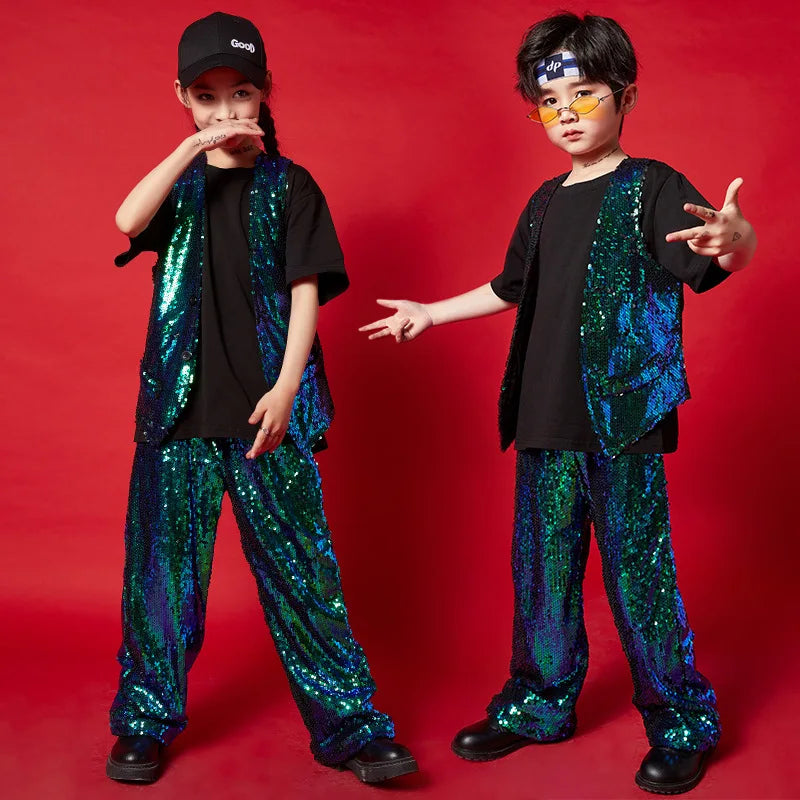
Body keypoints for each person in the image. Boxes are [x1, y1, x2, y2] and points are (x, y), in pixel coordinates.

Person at [359, 12, 755, 795]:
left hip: (625, 420)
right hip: (544, 418)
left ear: (626, 96)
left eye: (585, 94)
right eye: (549, 101)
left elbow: (717, 255)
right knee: (542, 569)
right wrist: (431, 312)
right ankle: (538, 705)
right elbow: (510, 287)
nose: (567, 112)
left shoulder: (653, 187)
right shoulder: (543, 201)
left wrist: (736, 239)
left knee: (638, 574)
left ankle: (680, 722)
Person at [106, 12, 417, 786]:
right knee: (162, 578)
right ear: (183, 98)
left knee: (304, 577)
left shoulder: (291, 186)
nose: (226, 111)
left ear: (266, 91)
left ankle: (350, 727)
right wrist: (191, 149)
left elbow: (306, 292)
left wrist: (286, 388)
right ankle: (144, 721)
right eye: (207, 97)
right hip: (177, 415)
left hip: (267, 417)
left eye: (240, 93)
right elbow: (125, 219)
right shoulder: (179, 187)